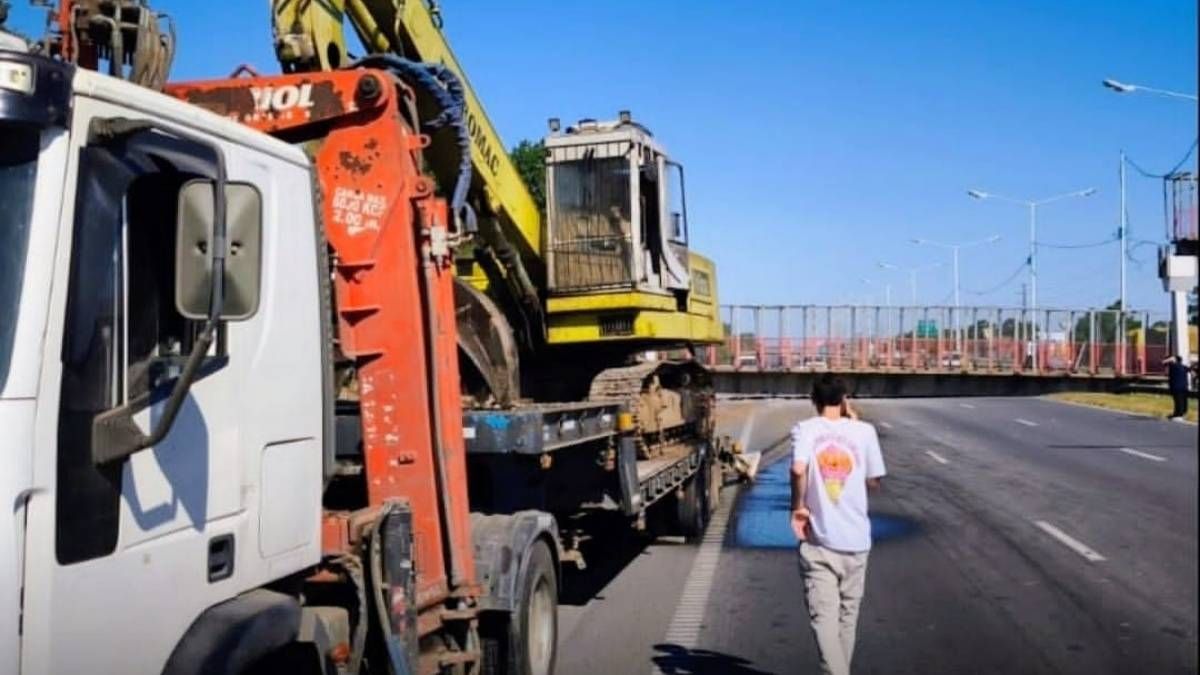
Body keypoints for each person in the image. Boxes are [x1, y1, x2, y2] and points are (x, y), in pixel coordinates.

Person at [791, 374, 885, 675]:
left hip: (820, 541)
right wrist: (855, 424)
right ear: (844, 399)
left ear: (813, 400)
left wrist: (798, 506)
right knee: (847, 618)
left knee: (824, 621)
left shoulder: (805, 429)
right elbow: (874, 481)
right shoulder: (865, 431)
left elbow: (797, 468)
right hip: (857, 542)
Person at [1165, 355, 1191, 420]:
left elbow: (1163, 362)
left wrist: (1171, 359)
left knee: (1178, 401)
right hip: (1184, 387)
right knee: (1183, 401)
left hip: (1176, 387)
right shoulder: (1183, 367)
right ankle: (1178, 414)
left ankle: (1179, 415)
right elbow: (1191, 371)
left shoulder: (1173, 366)